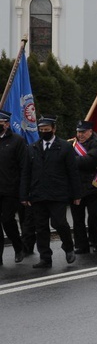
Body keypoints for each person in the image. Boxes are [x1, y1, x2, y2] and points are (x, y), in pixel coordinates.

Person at [20, 115, 82, 268]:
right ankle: (45, 257)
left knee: (60, 223)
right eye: (41, 130)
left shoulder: (65, 147)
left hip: (57, 194)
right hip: (38, 195)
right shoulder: (32, 148)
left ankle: (68, 248)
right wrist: (24, 195)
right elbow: (26, 173)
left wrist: (76, 194)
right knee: (41, 228)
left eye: (47, 130)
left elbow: (72, 172)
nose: (43, 132)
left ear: (54, 129)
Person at [71, 120, 97, 254]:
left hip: (93, 187)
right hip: (76, 188)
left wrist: (71, 161)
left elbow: (90, 161)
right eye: (79, 132)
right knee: (78, 219)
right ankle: (81, 245)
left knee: (95, 217)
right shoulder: (72, 144)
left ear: (90, 131)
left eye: (83, 132)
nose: (80, 135)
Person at [0, 109, 28, 265]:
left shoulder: (17, 141)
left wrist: (23, 191)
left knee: (7, 220)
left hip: (11, 189)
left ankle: (18, 247)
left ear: (7, 124)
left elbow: (24, 167)